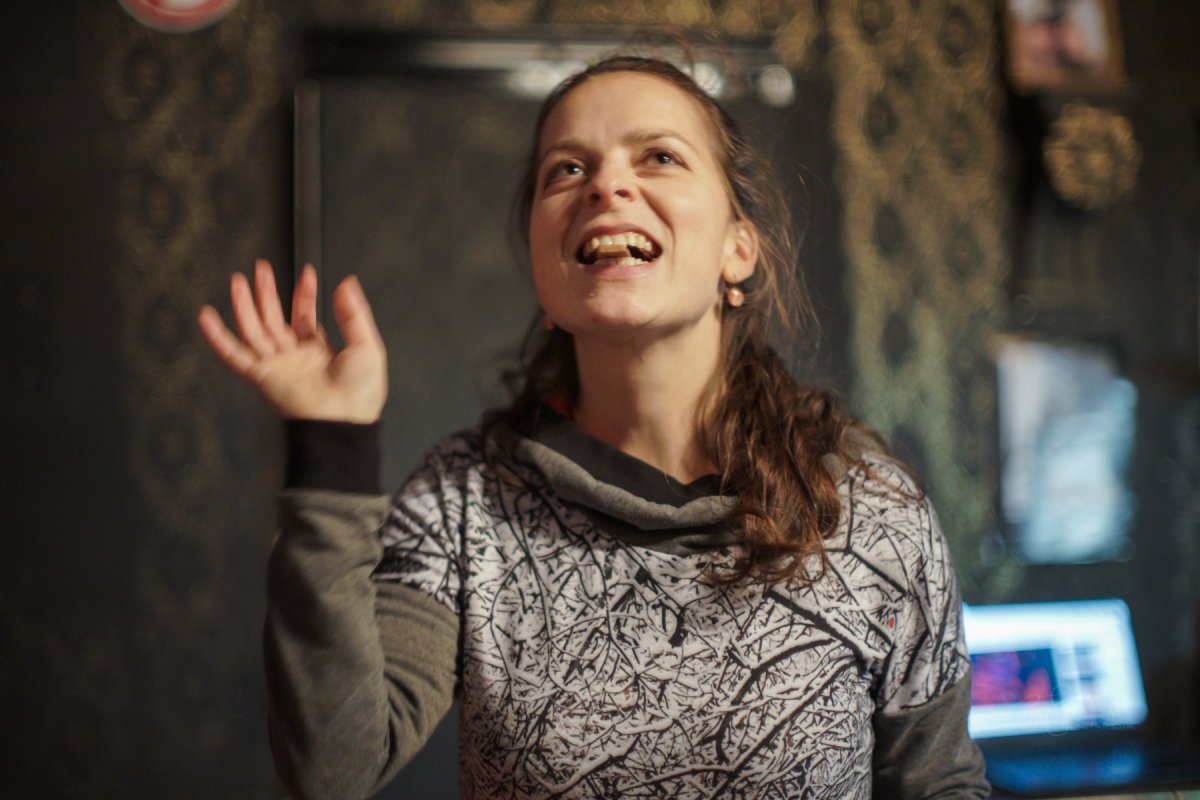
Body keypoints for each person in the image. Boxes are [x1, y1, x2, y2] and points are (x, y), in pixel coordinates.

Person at [198, 55, 988, 799]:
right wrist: (330, 444)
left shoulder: (868, 506)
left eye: (660, 157)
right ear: (546, 266)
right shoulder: (462, 502)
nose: (606, 184)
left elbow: (941, 785)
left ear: (737, 249)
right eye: (566, 170)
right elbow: (331, 772)